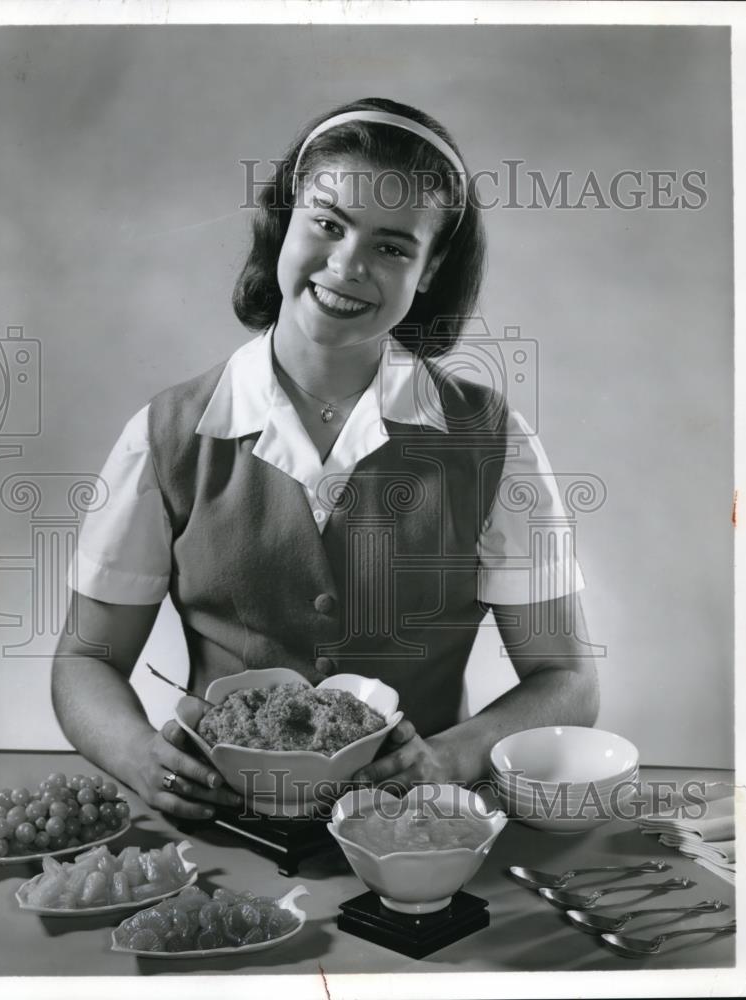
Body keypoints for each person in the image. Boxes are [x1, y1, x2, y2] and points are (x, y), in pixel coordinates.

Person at [52, 96, 599, 822]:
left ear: (430, 268)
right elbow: (85, 660)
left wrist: (454, 756)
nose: (347, 266)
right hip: (225, 836)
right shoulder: (165, 436)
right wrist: (133, 753)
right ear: (284, 222)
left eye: (392, 246)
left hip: (419, 835)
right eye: (327, 224)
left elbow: (565, 678)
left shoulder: (492, 439)